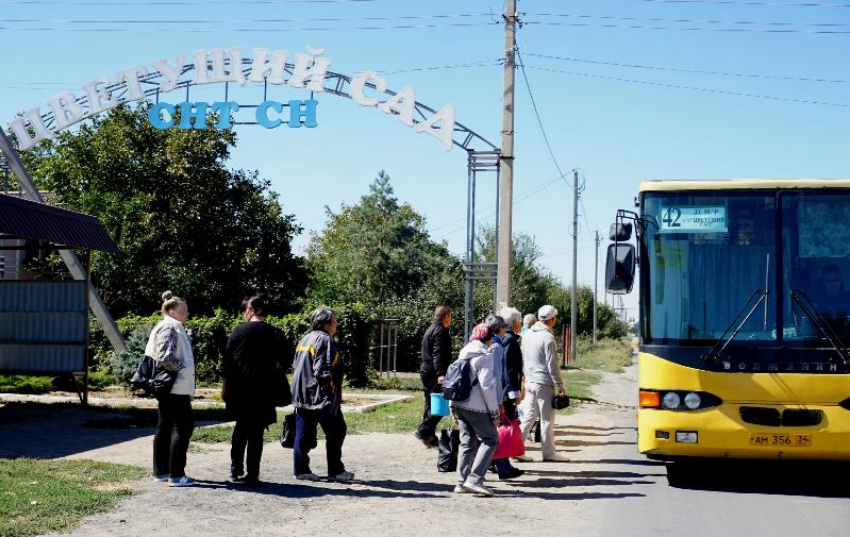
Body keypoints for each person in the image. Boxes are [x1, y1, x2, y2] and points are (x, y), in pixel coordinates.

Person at [222, 294, 285, 487]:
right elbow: (284, 362)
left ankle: (236, 468)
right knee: (257, 433)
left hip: (241, 389)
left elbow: (227, 363)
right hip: (264, 391)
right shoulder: (276, 333)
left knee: (240, 429)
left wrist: (225, 387)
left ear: (250, 310)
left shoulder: (238, 331)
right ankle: (253, 473)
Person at [291, 306, 354, 482]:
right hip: (319, 397)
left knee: (303, 433)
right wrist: (331, 393)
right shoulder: (325, 340)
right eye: (335, 321)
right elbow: (322, 371)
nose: (336, 324)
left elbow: (295, 366)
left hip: (301, 395)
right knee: (337, 430)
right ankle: (336, 470)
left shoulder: (305, 339)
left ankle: (301, 470)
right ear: (326, 323)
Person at [147, 291, 196, 487]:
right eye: (184, 310)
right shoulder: (171, 326)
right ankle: (175, 475)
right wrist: (183, 370)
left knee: (165, 426)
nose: (187, 313)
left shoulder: (171, 325)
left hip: (171, 387)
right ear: (172, 311)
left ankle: (161, 472)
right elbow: (164, 357)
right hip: (175, 387)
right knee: (183, 427)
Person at [450, 323, 501, 497]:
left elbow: (455, 379)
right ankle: (475, 479)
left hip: (459, 404)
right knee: (491, 439)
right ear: (489, 338)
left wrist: (452, 406)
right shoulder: (485, 356)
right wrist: (494, 413)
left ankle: (460, 482)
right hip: (476, 407)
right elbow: (487, 387)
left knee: (467, 442)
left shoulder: (463, 353)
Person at [518, 305, 569, 462]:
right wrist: (560, 386)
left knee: (528, 417)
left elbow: (523, 358)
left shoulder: (527, 335)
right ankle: (549, 453)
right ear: (552, 320)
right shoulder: (548, 337)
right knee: (547, 419)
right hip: (544, 383)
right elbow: (552, 365)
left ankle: (514, 448)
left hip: (530, 381)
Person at [485, 314, 524, 480]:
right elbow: (504, 372)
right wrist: (512, 394)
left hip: (490, 394)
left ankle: (500, 465)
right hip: (498, 394)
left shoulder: (489, 342)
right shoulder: (500, 344)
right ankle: (502, 467)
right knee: (499, 431)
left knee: (493, 431)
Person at [413, 305, 452, 448]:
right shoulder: (440, 331)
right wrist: (441, 374)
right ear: (446, 316)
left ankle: (429, 436)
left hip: (426, 371)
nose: (450, 320)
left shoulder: (431, 329)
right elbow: (438, 354)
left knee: (430, 404)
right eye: (450, 317)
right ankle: (422, 430)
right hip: (434, 373)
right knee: (441, 405)